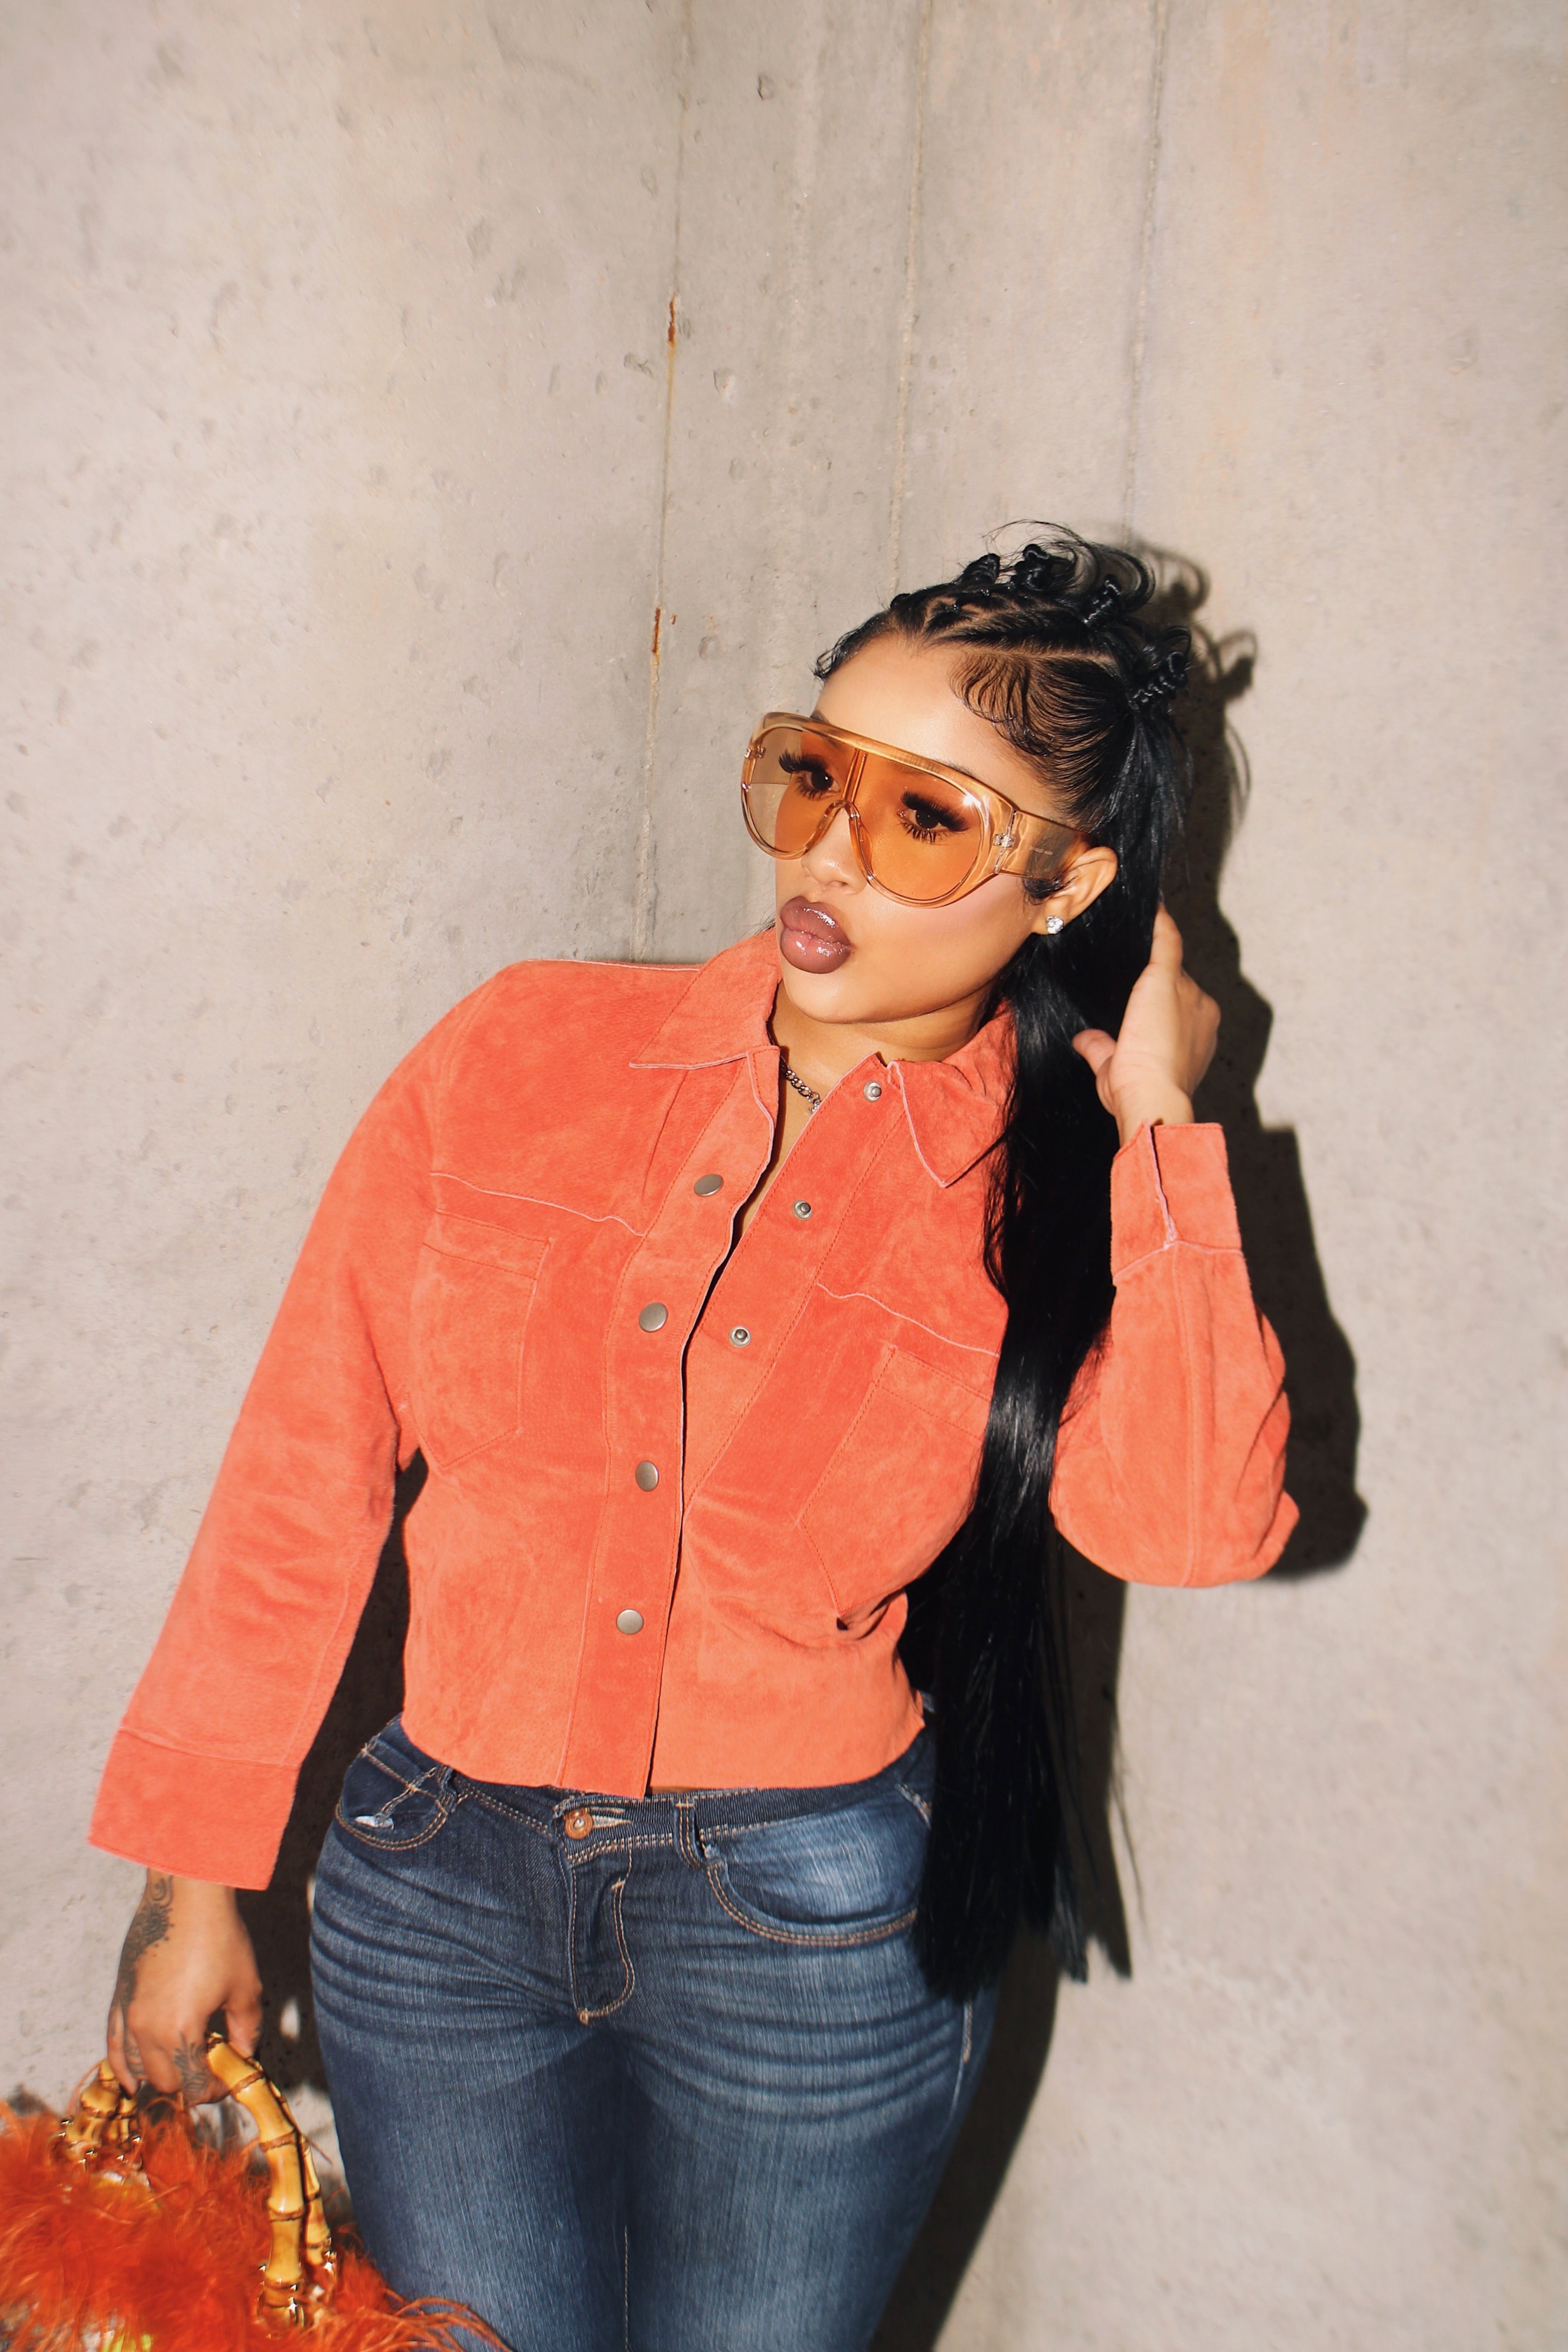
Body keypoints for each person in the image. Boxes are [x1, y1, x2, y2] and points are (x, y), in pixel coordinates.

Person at [91, 532, 1295, 2352]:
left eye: (926, 818)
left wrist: (1157, 1122)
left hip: (808, 1931)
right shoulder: (523, 1050)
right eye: (816, 774)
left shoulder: (1057, 1188)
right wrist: (190, 1887)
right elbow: (296, 1476)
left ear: (1067, 883)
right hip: (434, 1899)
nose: (829, 852)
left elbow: (1190, 1526)